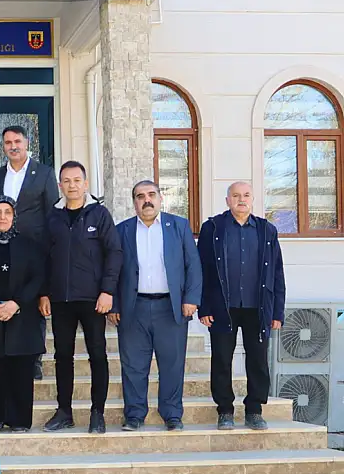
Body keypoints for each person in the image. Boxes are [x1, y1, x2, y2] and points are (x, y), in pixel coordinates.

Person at [108, 180, 202, 432]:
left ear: (160, 199)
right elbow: (113, 270)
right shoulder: (123, 230)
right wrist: (114, 303)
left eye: (151, 195)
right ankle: (134, 414)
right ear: (134, 203)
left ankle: (172, 414)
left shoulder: (178, 226)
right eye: (140, 196)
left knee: (172, 364)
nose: (146, 200)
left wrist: (191, 299)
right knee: (133, 366)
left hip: (170, 308)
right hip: (133, 308)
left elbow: (193, 265)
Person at [39, 161, 123, 434]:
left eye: (77, 180)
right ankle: (64, 411)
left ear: (85, 184)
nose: (72, 185)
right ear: (60, 185)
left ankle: (97, 412)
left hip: (93, 299)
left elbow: (114, 254)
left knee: (97, 354)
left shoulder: (99, 215)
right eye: (66, 181)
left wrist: (108, 291)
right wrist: (44, 293)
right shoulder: (53, 218)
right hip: (61, 300)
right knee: (62, 356)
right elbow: (45, 258)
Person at [198, 181, 285, 431]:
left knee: (257, 360)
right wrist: (204, 307)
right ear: (227, 200)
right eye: (236, 196)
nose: (241, 200)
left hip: (257, 308)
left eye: (246, 195)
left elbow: (277, 272)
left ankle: (254, 410)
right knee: (222, 359)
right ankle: (225, 410)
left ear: (253, 199)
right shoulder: (213, 228)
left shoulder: (267, 230)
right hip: (222, 307)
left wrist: (277, 310)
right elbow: (201, 270)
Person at [0, 196, 46, 433]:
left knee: (21, 371)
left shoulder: (30, 246)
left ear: (15, 217)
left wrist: (16, 303)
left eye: (7, 212)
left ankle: (20, 419)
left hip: (22, 316)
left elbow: (38, 278)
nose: (2, 217)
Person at [0, 126, 59, 380]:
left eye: (17, 141)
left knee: (32, 302)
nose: (13, 146)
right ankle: (6, 351)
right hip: (4, 249)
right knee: (8, 297)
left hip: (35, 250)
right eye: (8, 142)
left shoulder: (43, 173)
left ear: (27, 143)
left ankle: (34, 358)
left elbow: (51, 214)